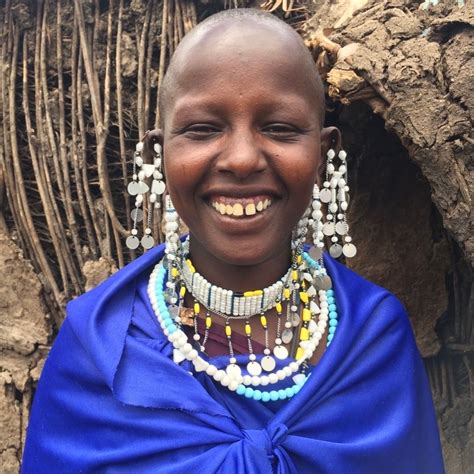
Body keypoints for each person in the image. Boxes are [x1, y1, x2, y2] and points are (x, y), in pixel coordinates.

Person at [21, 8, 444, 474]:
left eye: (279, 128)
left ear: (323, 155)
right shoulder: (101, 347)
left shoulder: (370, 338)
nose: (242, 159)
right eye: (202, 128)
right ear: (157, 156)